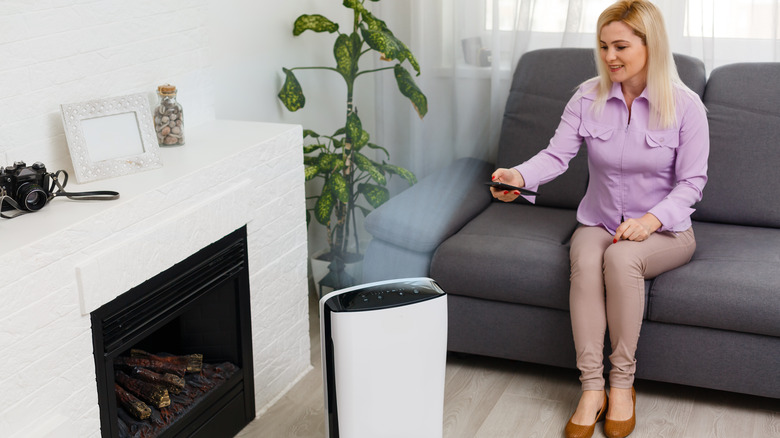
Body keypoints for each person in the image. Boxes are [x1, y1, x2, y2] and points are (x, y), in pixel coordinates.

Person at [489, 1, 709, 437]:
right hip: (599, 222)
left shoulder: (686, 106)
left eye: (621, 46)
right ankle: (592, 388)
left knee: (622, 259)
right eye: (604, 46)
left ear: (651, 45)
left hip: (666, 231)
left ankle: (622, 384)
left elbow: (692, 183)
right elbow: (556, 156)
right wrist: (517, 176)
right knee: (588, 259)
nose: (609, 57)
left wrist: (650, 220)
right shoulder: (587, 96)